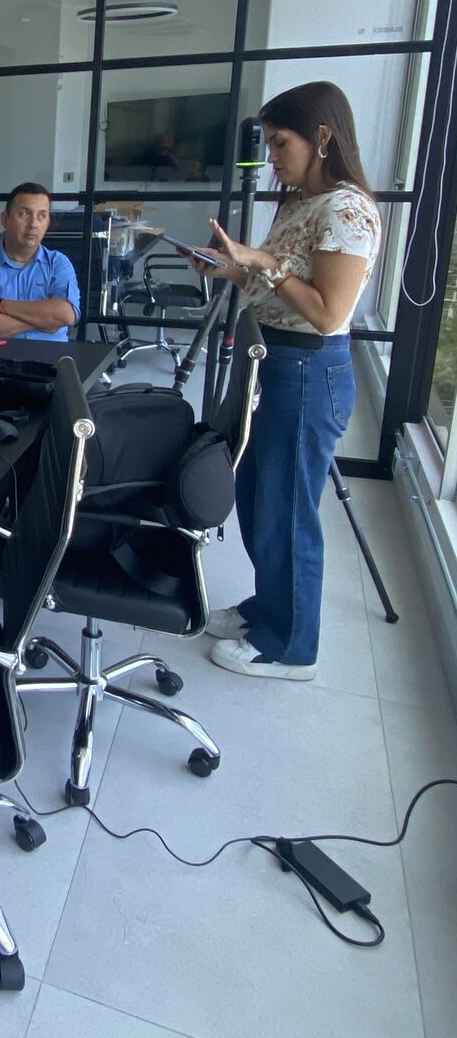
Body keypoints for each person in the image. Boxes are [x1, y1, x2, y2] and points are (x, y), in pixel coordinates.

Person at [192, 80, 381, 681]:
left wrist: (264, 262)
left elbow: (325, 311)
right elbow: (273, 293)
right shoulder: (298, 202)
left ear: (321, 137)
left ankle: (293, 647)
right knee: (256, 496)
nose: (270, 158)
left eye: (279, 143)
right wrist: (230, 269)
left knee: (288, 509)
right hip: (269, 360)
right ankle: (268, 608)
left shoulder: (347, 210)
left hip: (306, 368)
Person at [0, 182, 80, 343]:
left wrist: (4, 306)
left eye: (41, 216)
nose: (33, 224)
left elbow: (66, 315)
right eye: (24, 214)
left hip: (51, 360)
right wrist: (46, 321)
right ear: (5, 219)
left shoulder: (58, 263)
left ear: (48, 222)